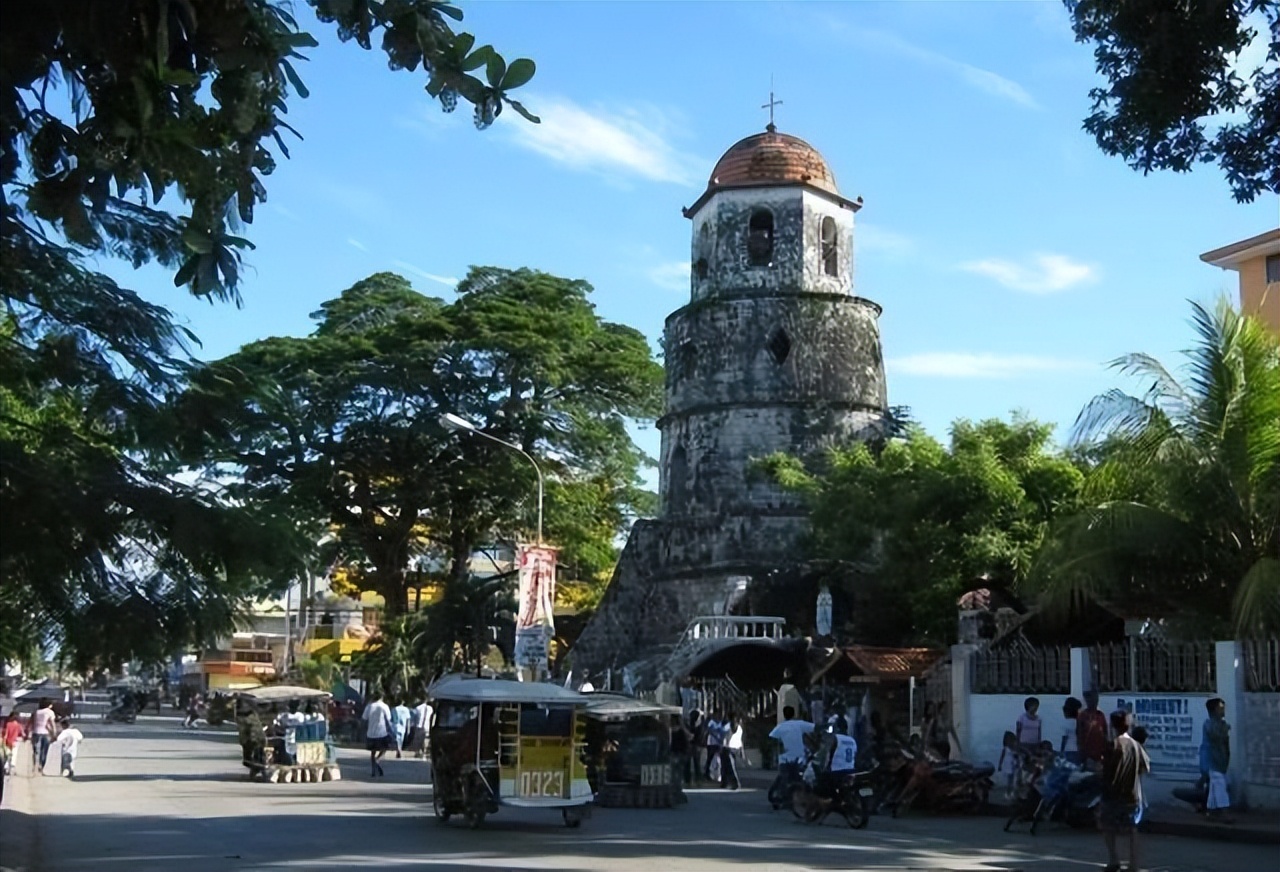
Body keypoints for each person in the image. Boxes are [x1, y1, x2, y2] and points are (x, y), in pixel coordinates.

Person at [1099, 709, 1150, 872]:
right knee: (1132, 829)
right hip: (1132, 794)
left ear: (1112, 725)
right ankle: (1133, 864)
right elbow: (1145, 768)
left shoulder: (1112, 745)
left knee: (1108, 826)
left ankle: (1114, 860)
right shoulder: (1136, 745)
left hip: (1112, 794)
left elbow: (1104, 769)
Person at [1202, 697, 1232, 821]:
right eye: (1220, 708)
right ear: (1214, 710)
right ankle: (1224, 813)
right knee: (1220, 785)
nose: (1223, 711)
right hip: (1212, 760)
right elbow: (1216, 738)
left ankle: (1211, 812)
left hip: (1220, 760)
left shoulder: (1222, 724)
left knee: (1215, 787)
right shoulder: (1209, 724)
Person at [816, 717, 858, 800]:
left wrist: (823, 766)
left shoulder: (835, 738)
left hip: (836, 772)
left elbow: (826, 754)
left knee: (820, 783)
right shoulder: (852, 740)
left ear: (836, 727)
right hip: (851, 771)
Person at [362, 691, 394, 777]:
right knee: (384, 748)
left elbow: (364, 718)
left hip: (371, 733)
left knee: (373, 752)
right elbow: (388, 719)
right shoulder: (384, 706)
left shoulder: (369, 706)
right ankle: (378, 760)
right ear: (382, 697)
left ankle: (373, 770)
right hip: (381, 732)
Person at [1078, 689, 1109, 770]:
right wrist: (1081, 752)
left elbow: (1105, 733)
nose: (1094, 701)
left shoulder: (1100, 715)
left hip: (1099, 754)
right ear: (1087, 701)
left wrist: (1105, 750)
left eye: (1096, 699)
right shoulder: (1083, 715)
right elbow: (1079, 734)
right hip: (1087, 754)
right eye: (1091, 699)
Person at [274, 700, 306, 765]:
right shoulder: (284, 716)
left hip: (295, 737)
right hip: (288, 737)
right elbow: (278, 726)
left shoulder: (300, 716)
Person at [31, 699, 57, 775]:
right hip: (45, 734)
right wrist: (54, 734)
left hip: (36, 733)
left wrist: (28, 732)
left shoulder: (36, 712)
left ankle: (34, 767)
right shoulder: (50, 712)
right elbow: (52, 724)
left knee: (36, 751)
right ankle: (41, 767)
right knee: (44, 751)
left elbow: (31, 722)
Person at [721, 713, 742, 790]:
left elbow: (723, 736)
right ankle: (725, 782)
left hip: (728, 748)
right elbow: (740, 739)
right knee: (729, 766)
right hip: (736, 748)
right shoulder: (739, 727)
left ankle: (735, 783)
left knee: (728, 767)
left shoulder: (727, 726)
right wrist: (741, 750)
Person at [1060, 696, 1083, 764]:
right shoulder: (1079, 722)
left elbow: (1064, 739)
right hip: (1079, 750)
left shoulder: (1066, 723)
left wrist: (1061, 751)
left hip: (1069, 749)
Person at [704, 710, 724, 783]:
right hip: (711, 743)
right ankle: (707, 773)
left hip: (718, 743)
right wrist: (716, 736)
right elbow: (710, 731)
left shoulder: (721, 723)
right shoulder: (711, 722)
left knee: (718, 759)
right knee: (710, 758)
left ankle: (718, 774)